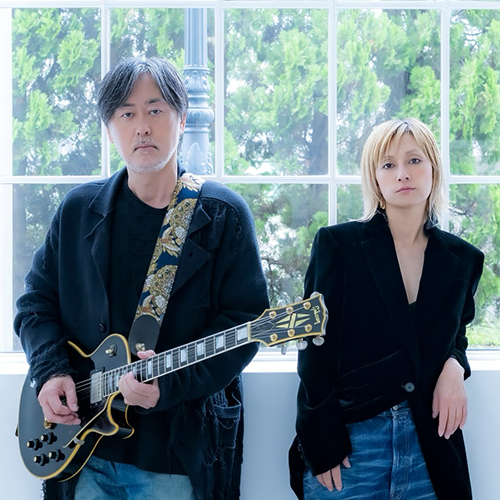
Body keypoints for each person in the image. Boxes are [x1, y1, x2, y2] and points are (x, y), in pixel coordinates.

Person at [15, 57, 269, 500]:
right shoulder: (77, 211)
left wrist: (166, 388)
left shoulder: (223, 216)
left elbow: (244, 325)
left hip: (174, 458)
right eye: (126, 114)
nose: (142, 127)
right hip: (83, 455)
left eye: (155, 110)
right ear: (110, 128)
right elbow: (36, 303)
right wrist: (50, 371)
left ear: (182, 119)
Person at [289, 118, 484, 500]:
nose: (402, 174)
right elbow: (314, 350)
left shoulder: (462, 258)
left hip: (431, 444)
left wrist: (455, 366)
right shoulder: (337, 246)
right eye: (388, 164)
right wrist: (321, 440)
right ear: (375, 178)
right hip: (351, 444)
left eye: (414, 160)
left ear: (433, 169)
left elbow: (455, 331)